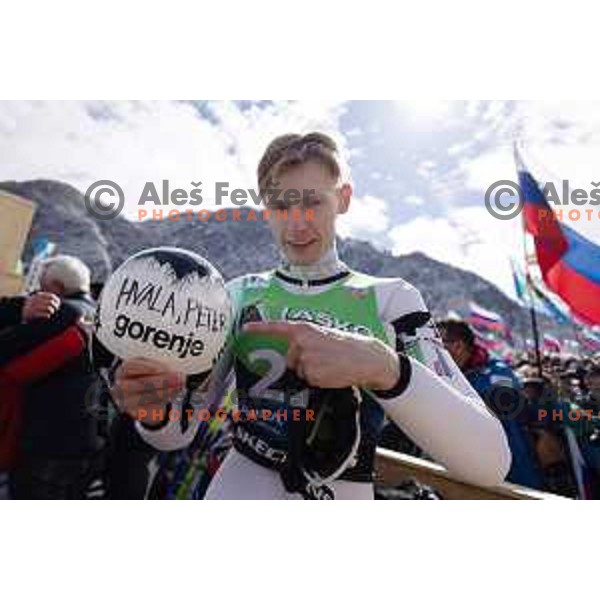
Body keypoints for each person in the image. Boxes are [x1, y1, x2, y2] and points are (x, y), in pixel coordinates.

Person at [112, 132, 511, 500]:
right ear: (266, 211)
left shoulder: (392, 299)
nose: (297, 221)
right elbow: (176, 433)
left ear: (344, 199)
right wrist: (153, 410)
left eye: (313, 201)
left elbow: (489, 463)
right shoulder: (235, 294)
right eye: (281, 205)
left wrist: (385, 367)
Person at [0, 255, 102, 498]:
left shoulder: (59, 312)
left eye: (41, 290)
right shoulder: (99, 316)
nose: (36, 296)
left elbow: (7, 352)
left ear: (56, 289)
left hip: (44, 444)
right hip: (88, 442)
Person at [437, 319, 543, 490]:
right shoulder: (449, 373)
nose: (434, 351)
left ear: (457, 346)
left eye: (438, 344)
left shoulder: (497, 373)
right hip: (466, 470)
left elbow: (505, 408)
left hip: (511, 476)